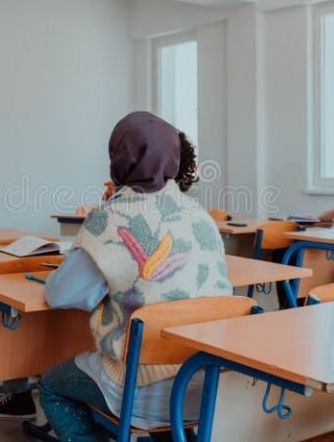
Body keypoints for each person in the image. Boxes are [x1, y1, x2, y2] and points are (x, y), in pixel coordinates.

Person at [37, 111, 231, 442]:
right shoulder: (202, 218)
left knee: (52, 384)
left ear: (118, 157)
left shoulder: (109, 218)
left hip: (140, 385)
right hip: (208, 383)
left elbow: (59, 294)